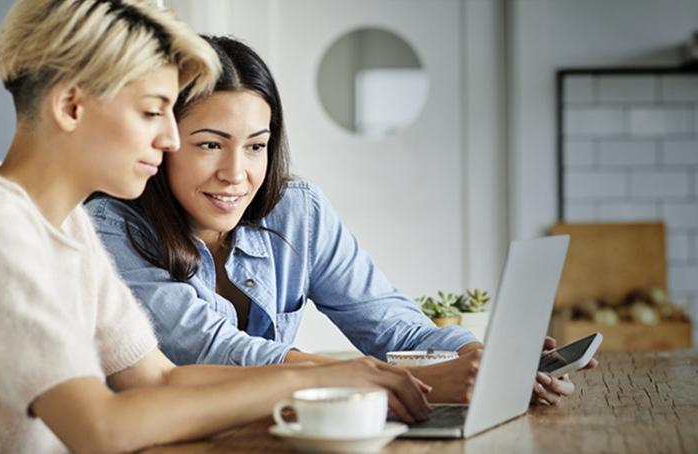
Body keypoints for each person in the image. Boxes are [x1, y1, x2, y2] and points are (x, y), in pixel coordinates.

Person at [0, 1, 430, 452]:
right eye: (153, 111)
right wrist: (304, 380)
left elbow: (160, 379)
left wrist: (334, 388)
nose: (171, 137)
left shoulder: (66, 225)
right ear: (71, 106)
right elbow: (101, 427)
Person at [86, 35, 594, 405]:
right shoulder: (110, 228)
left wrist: (487, 361)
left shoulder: (296, 211)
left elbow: (395, 326)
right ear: (165, 142)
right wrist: (393, 381)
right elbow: (213, 352)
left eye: (257, 146)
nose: (236, 174)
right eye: (210, 145)